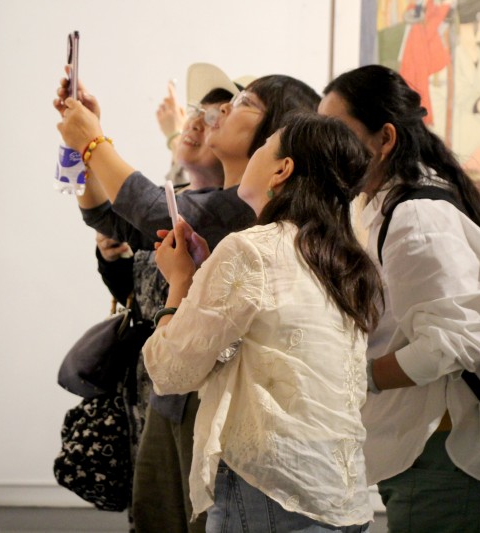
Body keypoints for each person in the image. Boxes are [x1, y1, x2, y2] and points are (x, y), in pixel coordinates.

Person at [55, 67, 321, 532]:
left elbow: (147, 210)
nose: (212, 117)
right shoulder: (210, 200)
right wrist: (80, 144)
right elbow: (107, 216)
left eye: (239, 104)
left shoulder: (242, 212)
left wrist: (92, 141)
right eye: (203, 111)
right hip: (165, 395)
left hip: (205, 402)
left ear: (275, 142)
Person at [142, 112, 382, 532]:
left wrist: (179, 282)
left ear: (282, 169)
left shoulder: (249, 251)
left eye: (264, 145)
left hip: (268, 490)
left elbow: (170, 370)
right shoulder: (346, 263)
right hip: (340, 492)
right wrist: (205, 277)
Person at [319, 64, 480, 532]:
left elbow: (458, 341)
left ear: (385, 138)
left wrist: (359, 378)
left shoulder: (415, 216)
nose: (326, 146)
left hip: (448, 462)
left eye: (338, 131)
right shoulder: (398, 205)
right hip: (433, 455)